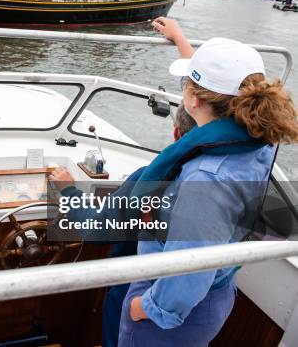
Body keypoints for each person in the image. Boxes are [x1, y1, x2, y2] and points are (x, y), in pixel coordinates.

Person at [117, 17, 298, 346]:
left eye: (187, 83)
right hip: (216, 292)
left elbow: (188, 276)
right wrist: (180, 39)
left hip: (168, 311)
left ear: (194, 99)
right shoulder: (258, 135)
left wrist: (142, 308)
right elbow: (210, 92)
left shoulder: (207, 181)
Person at [50, 103, 196, 347]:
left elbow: (98, 228)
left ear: (177, 133)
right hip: (194, 306)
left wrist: (69, 191)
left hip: (141, 293)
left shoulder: (150, 176)